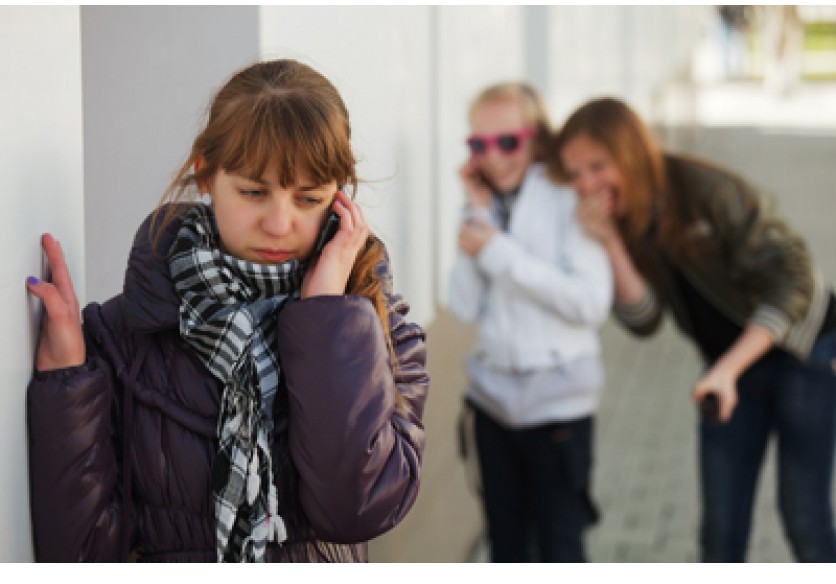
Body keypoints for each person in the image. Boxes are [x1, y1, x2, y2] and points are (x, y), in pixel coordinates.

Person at [25, 59, 430, 563]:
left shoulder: (381, 333)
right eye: (254, 192)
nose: (279, 223)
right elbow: (80, 553)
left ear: (340, 197)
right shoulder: (121, 338)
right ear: (205, 174)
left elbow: (355, 511)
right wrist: (67, 380)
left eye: (308, 198)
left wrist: (327, 314)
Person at [551, 97, 836, 562]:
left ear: (631, 152)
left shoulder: (708, 189)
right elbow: (643, 320)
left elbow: (796, 279)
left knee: (803, 518)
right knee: (721, 531)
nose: (586, 185)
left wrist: (728, 368)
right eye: (574, 174)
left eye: (597, 166)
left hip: (803, 351)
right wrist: (607, 241)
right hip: (727, 367)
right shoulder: (623, 217)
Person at [448, 82, 613, 562]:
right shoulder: (482, 202)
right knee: (507, 548)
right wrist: (476, 213)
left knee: (561, 549)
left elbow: (589, 303)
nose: (493, 157)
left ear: (536, 137)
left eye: (507, 142)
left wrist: (498, 251)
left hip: (557, 409)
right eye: (479, 145)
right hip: (493, 406)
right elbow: (463, 305)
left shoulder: (568, 197)